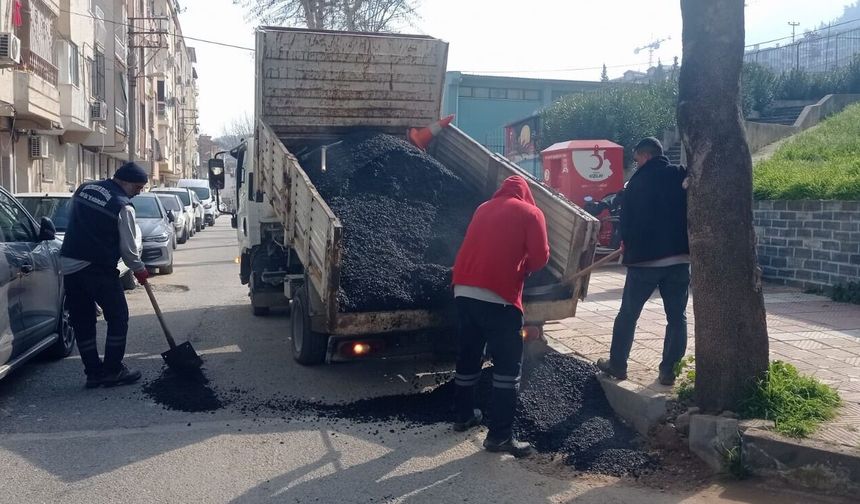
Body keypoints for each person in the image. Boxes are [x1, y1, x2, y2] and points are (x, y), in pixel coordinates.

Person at [451, 175, 550, 458]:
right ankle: (500, 436)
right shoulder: (531, 212)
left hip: (463, 290)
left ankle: (463, 416)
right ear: (526, 194)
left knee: (468, 356)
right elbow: (541, 257)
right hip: (499, 297)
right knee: (507, 368)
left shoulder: (483, 208)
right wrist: (523, 267)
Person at [596, 137, 690, 386]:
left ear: (646, 156)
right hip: (679, 259)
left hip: (644, 262)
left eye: (637, 158)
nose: (635, 163)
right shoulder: (680, 174)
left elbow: (626, 221)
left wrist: (625, 243)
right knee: (677, 317)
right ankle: (668, 372)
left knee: (628, 315)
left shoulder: (635, 183)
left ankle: (617, 365)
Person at [61, 162, 151, 388]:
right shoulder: (122, 206)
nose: (139, 192)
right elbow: (129, 249)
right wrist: (139, 270)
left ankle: (93, 373)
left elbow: (76, 220)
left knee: (82, 320)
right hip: (97, 267)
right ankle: (112, 370)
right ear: (126, 182)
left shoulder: (84, 189)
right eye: (138, 187)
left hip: (70, 264)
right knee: (118, 317)